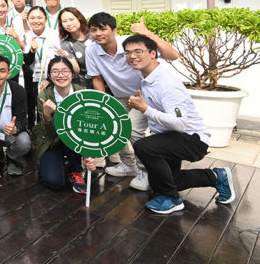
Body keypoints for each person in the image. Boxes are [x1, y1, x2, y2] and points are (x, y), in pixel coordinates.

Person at [124, 35, 235, 214]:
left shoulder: (167, 83)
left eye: (138, 51)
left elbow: (181, 124)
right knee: (160, 183)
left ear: (153, 54)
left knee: (143, 146)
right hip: (168, 138)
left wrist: (145, 109)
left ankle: (172, 199)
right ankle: (216, 176)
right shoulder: (146, 74)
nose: (132, 56)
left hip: (191, 139)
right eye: (128, 52)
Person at [86, 12, 179, 190]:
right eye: (93, 30)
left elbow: (173, 55)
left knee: (134, 130)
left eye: (103, 29)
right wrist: (105, 104)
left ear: (114, 30)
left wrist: (148, 33)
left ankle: (145, 171)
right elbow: (97, 78)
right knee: (112, 127)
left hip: (143, 94)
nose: (98, 33)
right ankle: (129, 165)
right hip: (120, 96)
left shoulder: (131, 45)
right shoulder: (92, 50)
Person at [32, 57, 96, 194]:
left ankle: (75, 170)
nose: (60, 75)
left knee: (73, 130)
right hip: (51, 141)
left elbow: (90, 127)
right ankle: (53, 162)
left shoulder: (82, 92)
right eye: (55, 71)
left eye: (65, 71)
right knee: (55, 182)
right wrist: (48, 115)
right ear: (49, 76)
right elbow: (48, 133)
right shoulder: (44, 95)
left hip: (74, 141)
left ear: (73, 74)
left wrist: (89, 155)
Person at [23, 6, 58, 128]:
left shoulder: (54, 35)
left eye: (39, 17)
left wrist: (50, 79)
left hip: (51, 78)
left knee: (48, 106)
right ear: (28, 20)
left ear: (46, 19)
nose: (36, 21)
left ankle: (47, 131)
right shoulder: (26, 36)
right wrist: (32, 50)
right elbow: (26, 61)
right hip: (33, 77)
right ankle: (33, 130)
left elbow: (58, 60)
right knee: (32, 103)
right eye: (32, 18)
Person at [57, 7, 92, 88]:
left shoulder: (93, 35)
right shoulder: (66, 45)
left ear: (79, 18)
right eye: (64, 21)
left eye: (71, 19)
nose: (69, 23)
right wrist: (66, 58)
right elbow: (76, 71)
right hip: (85, 84)